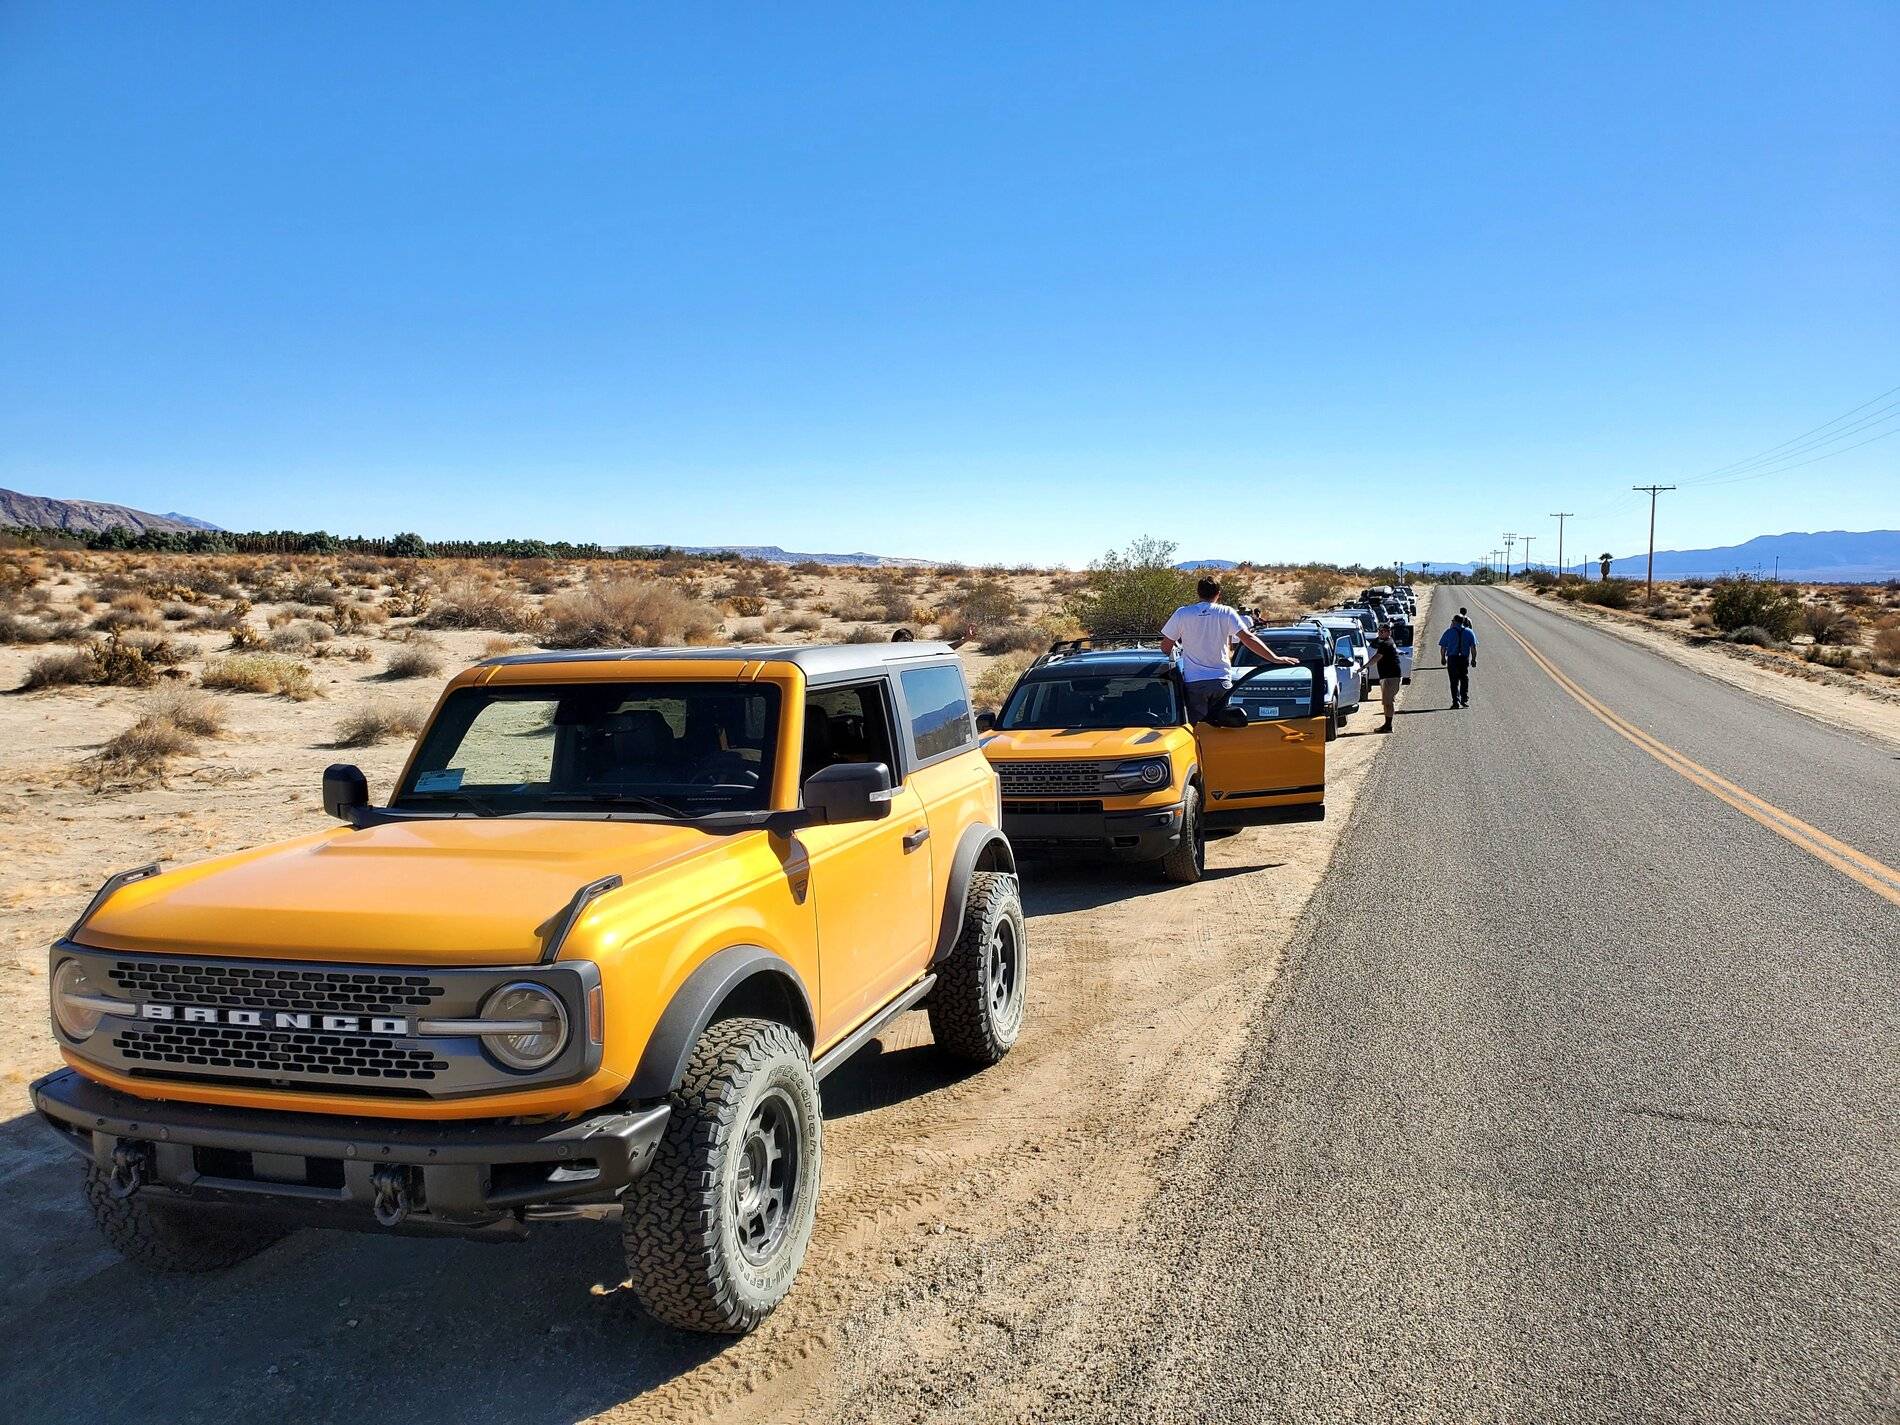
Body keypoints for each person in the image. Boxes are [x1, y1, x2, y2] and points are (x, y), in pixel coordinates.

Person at [1160, 576, 1299, 723]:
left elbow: (1165, 647)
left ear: (1198, 593)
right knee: (1224, 726)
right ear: (1218, 594)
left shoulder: (1183, 613)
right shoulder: (1226, 612)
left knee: (1199, 729)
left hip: (1194, 682)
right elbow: (1248, 638)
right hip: (1221, 681)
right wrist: (1274, 658)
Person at [1367, 621, 1404, 732]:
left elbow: (1377, 657)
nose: (1380, 633)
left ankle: (1388, 726)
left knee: (1388, 702)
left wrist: (1364, 666)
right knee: (1386, 702)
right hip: (1388, 676)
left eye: (1382, 631)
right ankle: (1387, 724)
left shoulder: (1386, 643)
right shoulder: (1386, 642)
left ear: (1388, 632)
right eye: (1379, 631)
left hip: (1390, 677)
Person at [1439, 613, 1478, 708]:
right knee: (1464, 678)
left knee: (1454, 680)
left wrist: (1443, 657)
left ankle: (1455, 701)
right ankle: (1464, 698)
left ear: (1455, 621)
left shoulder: (1449, 632)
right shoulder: (1469, 632)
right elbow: (1473, 647)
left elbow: (1443, 647)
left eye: (1453, 620)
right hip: (1464, 659)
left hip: (1452, 659)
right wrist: (1473, 659)